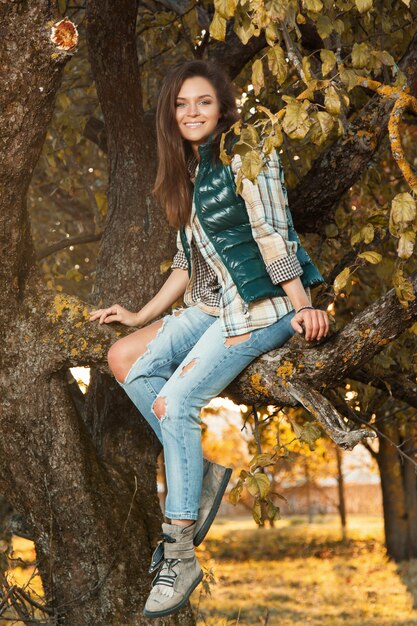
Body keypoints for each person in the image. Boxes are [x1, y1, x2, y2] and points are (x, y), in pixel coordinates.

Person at [89, 59, 329, 618]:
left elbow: (272, 235)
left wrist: (304, 309)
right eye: (180, 104)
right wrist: (139, 315)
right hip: (213, 303)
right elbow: (186, 262)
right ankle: (200, 476)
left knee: (176, 401)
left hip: (263, 304)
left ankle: (180, 549)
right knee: (123, 357)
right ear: (169, 116)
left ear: (222, 107)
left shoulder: (246, 152)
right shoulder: (188, 171)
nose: (191, 112)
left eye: (202, 102)